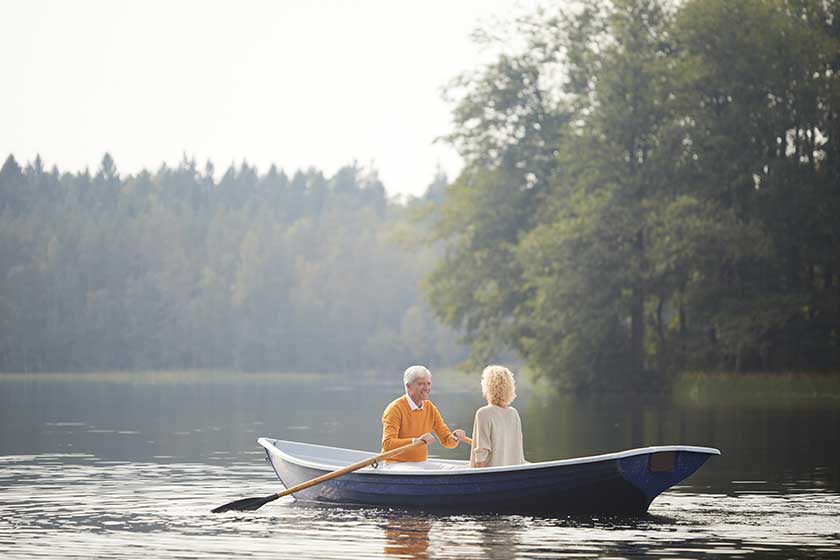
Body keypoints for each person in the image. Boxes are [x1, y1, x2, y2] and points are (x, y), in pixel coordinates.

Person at [381, 365, 467, 465]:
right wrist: (415, 441)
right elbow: (387, 444)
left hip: (420, 465)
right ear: (408, 386)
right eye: (421, 384)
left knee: (454, 469)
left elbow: (447, 441)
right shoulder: (395, 409)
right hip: (395, 465)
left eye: (428, 383)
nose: (427, 388)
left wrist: (454, 437)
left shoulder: (430, 408)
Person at [470, 365, 526, 468]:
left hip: (490, 477)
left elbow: (481, 455)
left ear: (487, 387)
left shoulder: (483, 413)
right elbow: (519, 453)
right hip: (514, 475)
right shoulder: (514, 414)